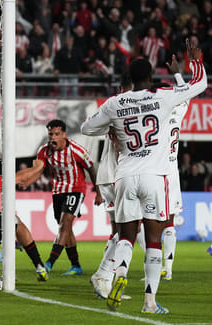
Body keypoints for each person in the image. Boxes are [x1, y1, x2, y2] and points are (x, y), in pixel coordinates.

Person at [81, 39, 206, 314]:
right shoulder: (162, 97)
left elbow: (86, 127)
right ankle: (149, 301)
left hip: (125, 176)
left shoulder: (115, 103)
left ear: (129, 78)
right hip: (155, 175)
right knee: (152, 240)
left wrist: (111, 129)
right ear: (151, 76)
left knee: (126, 236)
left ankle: (120, 275)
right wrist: (193, 62)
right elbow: (198, 85)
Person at [17, 119, 102, 276]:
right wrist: (28, 181)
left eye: (56, 134)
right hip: (58, 191)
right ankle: (76, 265)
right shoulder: (44, 151)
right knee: (65, 228)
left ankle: (49, 263)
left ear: (64, 134)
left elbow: (91, 169)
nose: (53, 138)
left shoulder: (76, 150)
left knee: (65, 223)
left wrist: (98, 192)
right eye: (50, 134)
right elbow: (38, 170)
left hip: (76, 189)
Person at [136, 55, 190, 282]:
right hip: (172, 171)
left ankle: (156, 265)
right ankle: (167, 267)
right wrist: (177, 74)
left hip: (154, 171)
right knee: (168, 221)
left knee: (142, 221)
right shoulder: (179, 112)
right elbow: (186, 93)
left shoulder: (155, 116)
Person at [90, 71, 133, 299]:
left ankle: (106, 280)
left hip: (108, 176)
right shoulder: (128, 110)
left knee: (119, 231)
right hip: (117, 176)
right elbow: (119, 147)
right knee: (128, 231)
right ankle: (104, 275)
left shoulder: (111, 108)